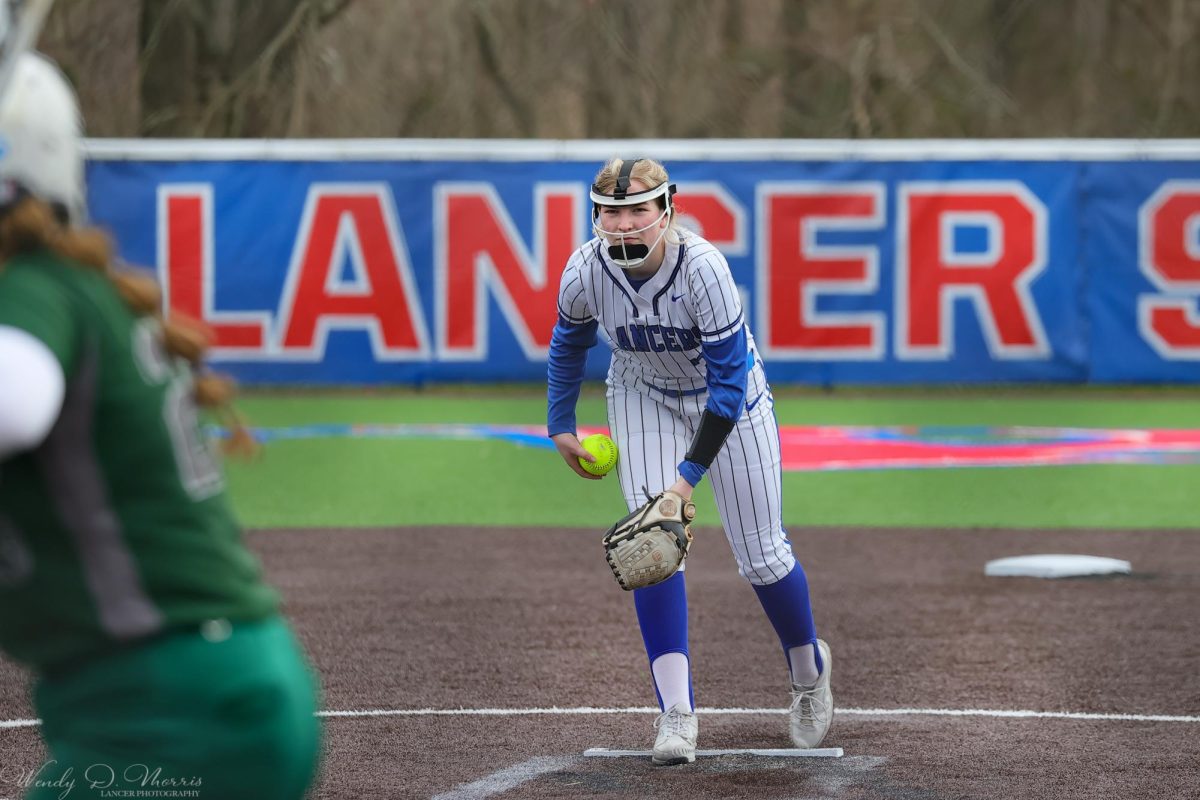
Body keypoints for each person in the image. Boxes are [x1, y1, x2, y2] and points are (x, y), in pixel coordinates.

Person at [0, 52, 321, 799]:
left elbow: (14, 403)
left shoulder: (35, 293)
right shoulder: (66, 291)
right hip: (199, 694)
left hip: (177, 710)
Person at [547, 157, 833, 765]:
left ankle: (809, 674)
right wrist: (560, 425)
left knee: (761, 555)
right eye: (609, 213)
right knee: (652, 548)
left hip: (728, 400)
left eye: (636, 211)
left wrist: (684, 483)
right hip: (642, 392)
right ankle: (676, 713)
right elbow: (568, 340)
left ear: (666, 210)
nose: (622, 225)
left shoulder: (702, 269)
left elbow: (728, 386)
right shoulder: (585, 269)